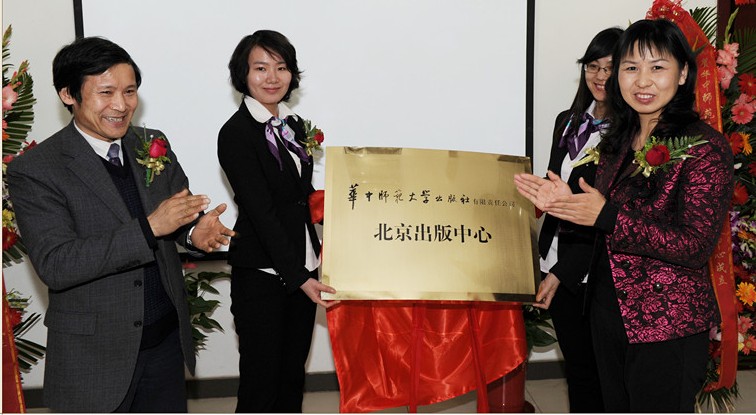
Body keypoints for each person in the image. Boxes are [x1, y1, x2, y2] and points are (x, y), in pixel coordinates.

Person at [6, 37, 235, 413]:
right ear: (68, 94)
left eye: (129, 91)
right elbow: (57, 263)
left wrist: (195, 232)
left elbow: (175, 216)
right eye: (106, 92)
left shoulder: (151, 142)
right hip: (94, 354)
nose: (121, 104)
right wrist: (149, 228)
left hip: (164, 343)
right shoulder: (37, 169)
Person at [515, 19, 733, 412]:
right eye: (631, 68)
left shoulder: (704, 147)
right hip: (606, 314)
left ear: (683, 73)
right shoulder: (618, 140)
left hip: (665, 323)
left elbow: (694, 245)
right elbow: (599, 215)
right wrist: (568, 202)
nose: (642, 81)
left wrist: (608, 216)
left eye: (657, 67)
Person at [217, 30, 338, 413]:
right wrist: (298, 276)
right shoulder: (236, 133)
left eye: (281, 67)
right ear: (243, 74)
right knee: (261, 386)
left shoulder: (293, 126)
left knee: (291, 381)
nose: (272, 77)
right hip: (263, 274)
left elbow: (298, 197)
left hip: (302, 267)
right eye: (261, 68)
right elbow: (262, 212)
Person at [535, 26, 622, 413]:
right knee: (578, 369)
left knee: (603, 373)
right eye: (593, 66)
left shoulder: (629, 135)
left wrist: (562, 272)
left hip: (592, 267)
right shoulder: (567, 121)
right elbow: (558, 186)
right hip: (556, 255)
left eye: (610, 67)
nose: (600, 76)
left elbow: (604, 214)